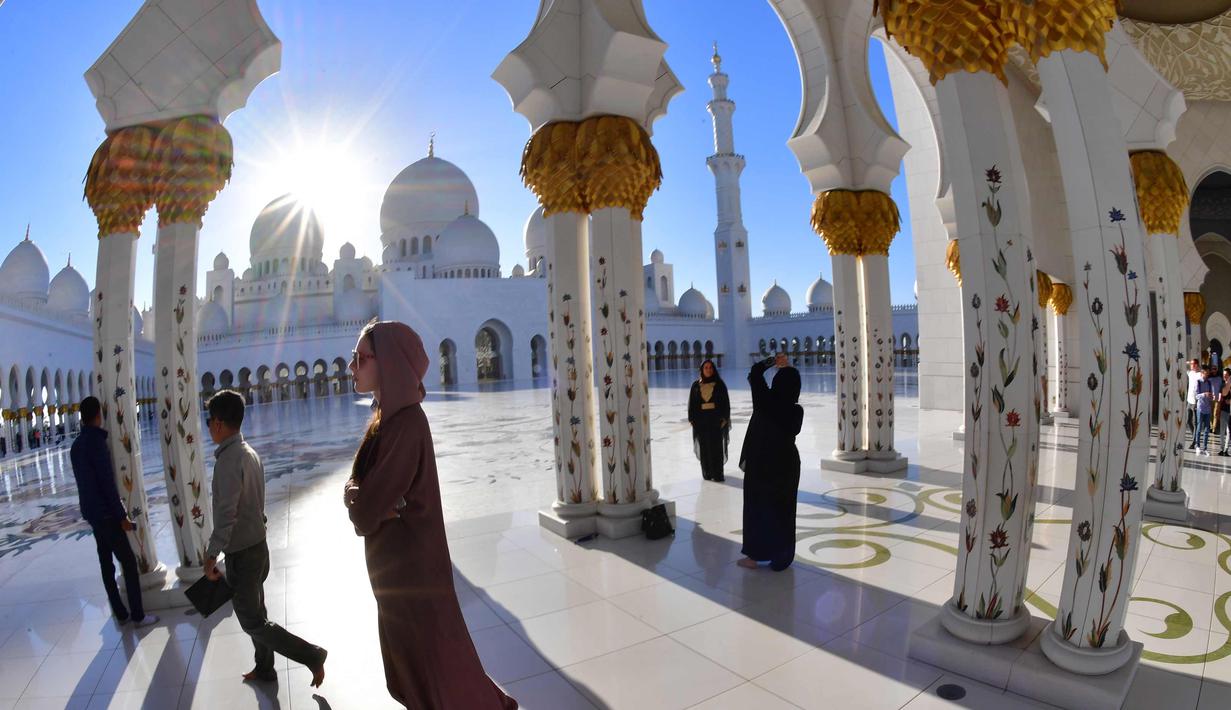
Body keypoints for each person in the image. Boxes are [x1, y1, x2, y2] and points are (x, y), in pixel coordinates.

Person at [343, 320, 517, 709]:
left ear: (387, 362)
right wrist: (365, 497)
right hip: (399, 576)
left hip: (412, 576)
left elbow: (365, 512)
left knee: (436, 666)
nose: (352, 367)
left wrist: (360, 499)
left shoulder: (405, 425)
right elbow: (364, 494)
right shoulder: (386, 422)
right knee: (425, 665)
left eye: (360, 358)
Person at [202, 390, 328, 687]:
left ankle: (312, 655)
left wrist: (211, 554)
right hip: (258, 546)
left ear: (219, 423)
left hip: (243, 553)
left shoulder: (228, 461)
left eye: (209, 420)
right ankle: (265, 668)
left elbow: (226, 513)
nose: (208, 426)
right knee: (258, 611)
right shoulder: (250, 453)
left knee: (252, 621)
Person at [69, 396, 158, 628]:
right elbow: (106, 483)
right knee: (128, 562)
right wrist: (122, 516)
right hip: (107, 515)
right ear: (98, 415)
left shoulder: (76, 446)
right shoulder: (97, 443)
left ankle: (120, 613)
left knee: (106, 565)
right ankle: (138, 615)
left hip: (92, 514)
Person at [736, 352, 804, 572]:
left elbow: (754, 373)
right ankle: (781, 558)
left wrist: (773, 362)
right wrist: (789, 369)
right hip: (787, 464)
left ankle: (755, 556)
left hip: (762, 463)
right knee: (783, 511)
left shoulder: (765, 400)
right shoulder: (796, 410)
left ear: (776, 383)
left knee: (758, 509)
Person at [688, 359, 731, 482]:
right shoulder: (696, 385)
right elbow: (692, 404)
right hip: (701, 421)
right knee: (705, 447)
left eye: (710, 367)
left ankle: (717, 473)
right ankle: (707, 472)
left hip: (715, 420)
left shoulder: (719, 384)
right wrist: (692, 419)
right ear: (702, 370)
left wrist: (724, 418)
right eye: (706, 368)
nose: (708, 370)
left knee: (716, 447)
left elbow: (725, 403)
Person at [1195, 366, 1215, 456]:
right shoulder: (1198, 382)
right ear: (1202, 373)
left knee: (1207, 430)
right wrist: (1204, 394)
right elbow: (1196, 396)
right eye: (1206, 373)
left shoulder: (1209, 383)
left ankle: (1205, 448)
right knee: (1199, 428)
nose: (1207, 375)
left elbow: (1210, 394)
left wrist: (1211, 396)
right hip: (1200, 408)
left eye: (1208, 373)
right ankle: (1197, 446)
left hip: (1208, 408)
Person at [1187, 359, 1202, 449]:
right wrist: (1188, 362)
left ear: (1196, 365)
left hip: (1196, 402)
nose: (1191, 366)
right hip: (1189, 401)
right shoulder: (1191, 373)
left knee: (1195, 422)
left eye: (1192, 364)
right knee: (1188, 421)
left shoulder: (1199, 374)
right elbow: (1183, 368)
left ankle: (1194, 442)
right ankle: (1196, 438)